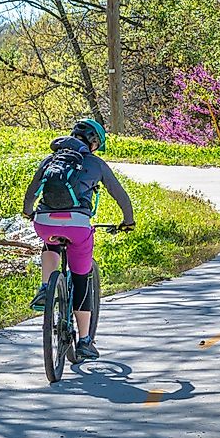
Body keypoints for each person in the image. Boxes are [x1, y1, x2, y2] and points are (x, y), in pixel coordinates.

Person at [22, 117, 135, 360]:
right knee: (82, 279)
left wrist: (30, 212)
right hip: (78, 226)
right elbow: (120, 195)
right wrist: (128, 221)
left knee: (50, 241)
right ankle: (84, 341)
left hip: (45, 222)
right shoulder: (96, 163)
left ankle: (45, 288)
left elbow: (31, 192)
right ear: (93, 143)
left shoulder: (50, 160)